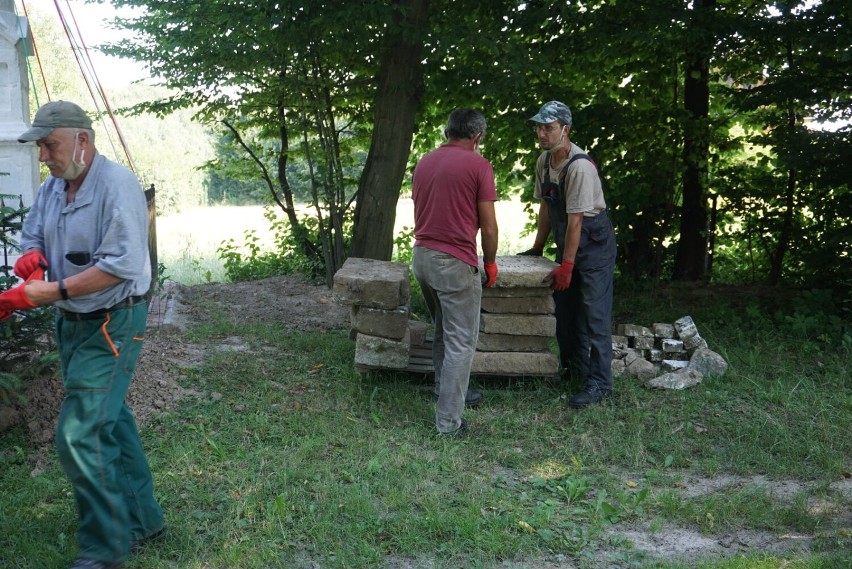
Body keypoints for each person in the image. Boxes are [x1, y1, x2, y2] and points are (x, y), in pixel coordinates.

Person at [0, 100, 165, 569]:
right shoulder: (54, 187)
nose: (43, 156)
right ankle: (143, 519)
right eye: (40, 148)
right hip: (72, 323)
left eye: (49, 145)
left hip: (113, 321)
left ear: (82, 141)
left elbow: (122, 266)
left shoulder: (118, 187)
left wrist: (51, 290)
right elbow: (33, 233)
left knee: (81, 432)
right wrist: (31, 258)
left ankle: (104, 547)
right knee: (111, 420)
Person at [518, 101, 616, 409]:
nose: (542, 133)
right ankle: (574, 372)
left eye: (548, 128)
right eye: (539, 127)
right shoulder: (544, 162)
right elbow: (547, 208)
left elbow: (576, 220)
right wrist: (537, 248)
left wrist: (568, 265)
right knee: (565, 310)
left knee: (594, 313)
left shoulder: (580, 167)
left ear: (566, 130)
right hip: (569, 244)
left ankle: (600, 384)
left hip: (594, 246)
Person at [411, 109, 499, 436]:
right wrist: (489, 263)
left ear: (447, 132)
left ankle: (444, 390)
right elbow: (488, 227)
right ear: (477, 137)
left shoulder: (424, 161)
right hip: (454, 261)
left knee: (443, 327)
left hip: (421, 256)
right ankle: (448, 422)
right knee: (462, 342)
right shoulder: (478, 165)